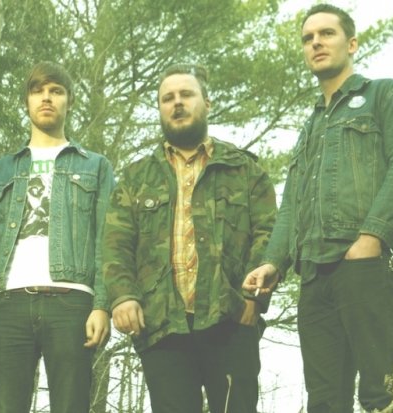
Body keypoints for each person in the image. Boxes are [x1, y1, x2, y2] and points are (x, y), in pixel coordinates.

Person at [243, 4, 393, 412]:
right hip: (314, 277)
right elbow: (292, 203)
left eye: (327, 34)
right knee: (324, 401)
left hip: (368, 266)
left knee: (384, 395)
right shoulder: (309, 127)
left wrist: (371, 237)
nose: (316, 42)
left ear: (351, 44)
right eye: (308, 38)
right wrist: (273, 262)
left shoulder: (385, 95)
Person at [102, 63, 277, 413]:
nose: (177, 103)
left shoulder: (245, 169)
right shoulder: (135, 178)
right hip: (161, 326)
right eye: (167, 98)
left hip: (231, 319)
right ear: (160, 109)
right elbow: (115, 245)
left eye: (186, 94)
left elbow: (269, 235)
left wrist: (253, 300)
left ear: (207, 104)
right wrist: (123, 297)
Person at [0, 61, 114, 413]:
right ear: (27, 101)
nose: (46, 98)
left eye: (55, 91)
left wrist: (101, 305)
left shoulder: (95, 166)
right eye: (38, 91)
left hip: (72, 302)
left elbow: (106, 242)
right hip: (7, 304)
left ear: (69, 101)